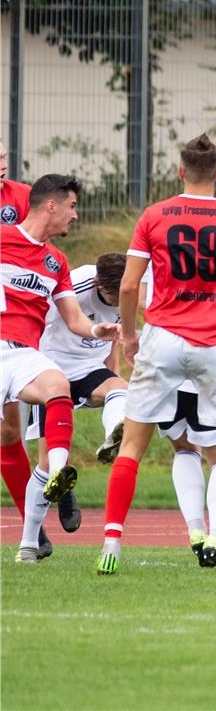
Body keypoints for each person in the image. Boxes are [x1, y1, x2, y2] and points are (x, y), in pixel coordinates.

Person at [95, 133, 216, 577]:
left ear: (180, 171)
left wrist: (133, 337)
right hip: (212, 341)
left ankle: (111, 546)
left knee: (134, 446)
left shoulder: (155, 215)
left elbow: (127, 286)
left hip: (162, 339)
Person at [1, 174, 120, 563]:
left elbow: (74, 319)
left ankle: (58, 473)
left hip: (22, 355)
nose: (76, 215)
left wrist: (97, 329)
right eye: (71, 206)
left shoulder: (57, 261)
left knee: (57, 385)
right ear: (51, 205)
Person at [25, 252, 130, 536]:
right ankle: (34, 536)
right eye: (112, 294)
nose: (118, 301)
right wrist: (30, 366)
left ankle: (113, 435)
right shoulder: (77, 283)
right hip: (52, 368)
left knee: (121, 390)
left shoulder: (131, 288)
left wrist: (114, 369)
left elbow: (115, 338)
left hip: (89, 368)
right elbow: (35, 318)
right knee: (49, 465)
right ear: (98, 283)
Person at [0, 141, 52, 558]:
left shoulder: (21, 197)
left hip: (14, 330)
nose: (1, 165)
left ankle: (32, 526)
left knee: (10, 432)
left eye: (2, 157)